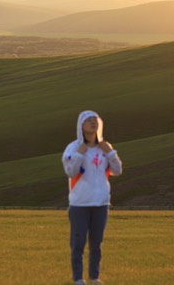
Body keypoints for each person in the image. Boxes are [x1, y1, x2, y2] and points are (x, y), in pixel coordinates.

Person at [62, 110, 122, 285]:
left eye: (95, 119)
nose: (92, 122)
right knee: (78, 242)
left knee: (96, 243)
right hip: (79, 203)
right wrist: (80, 154)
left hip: (101, 202)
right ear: (81, 125)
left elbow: (117, 171)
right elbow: (71, 171)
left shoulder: (105, 147)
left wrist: (110, 153)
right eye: (88, 120)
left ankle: (94, 277)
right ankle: (78, 279)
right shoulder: (73, 148)